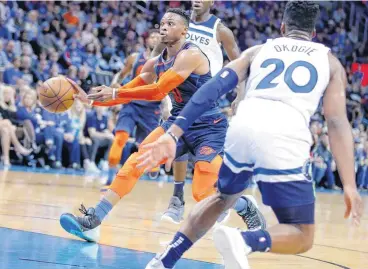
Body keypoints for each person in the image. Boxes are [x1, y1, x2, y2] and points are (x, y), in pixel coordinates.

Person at [138, 2, 364, 269]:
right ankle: (244, 241)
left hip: (243, 125)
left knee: (222, 198)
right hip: (285, 132)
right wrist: (349, 184)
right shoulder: (330, 62)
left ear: (282, 27)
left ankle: (164, 260)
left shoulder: (258, 51)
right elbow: (337, 122)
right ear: (313, 33)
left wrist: (174, 132)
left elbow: (212, 88)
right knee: (303, 234)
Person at [59, 8, 264, 243]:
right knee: (136, 161)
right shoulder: (155, 62)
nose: (164, 26)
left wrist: (115, 91)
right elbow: (129, 90)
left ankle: (243, 204)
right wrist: (91, 99)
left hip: (209, 126)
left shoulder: (192, 55)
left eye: (171, 23)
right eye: (162, 23)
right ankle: (94, 221)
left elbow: (158, 91)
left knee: (202, 192)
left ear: (185, 30)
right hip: (176, 123)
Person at [161, 0, 249, 224]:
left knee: (206, 158)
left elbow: (239, 62)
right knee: (174, 143)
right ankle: (177, 199)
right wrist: (162, 97)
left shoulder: (220, 31)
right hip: (178, 91)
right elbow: (160, 57)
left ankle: (223, 198)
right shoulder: (177, 23)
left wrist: (240, 94)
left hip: (206, 98)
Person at [105, 30, 162, 185]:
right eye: (152, 36)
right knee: (120, 137)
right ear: (147, 40)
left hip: (151, 107)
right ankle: (110, 177)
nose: (155, 39)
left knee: (149, 145)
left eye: (158, 37)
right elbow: (120, 75)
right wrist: (114, 84)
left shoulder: (167, 60)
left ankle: (153, 167)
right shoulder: (135, 58)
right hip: (131, 102)